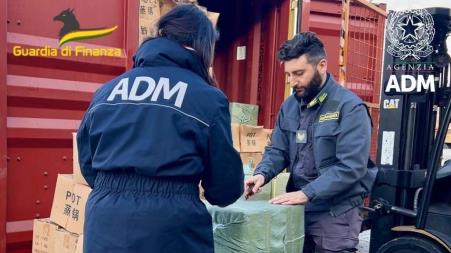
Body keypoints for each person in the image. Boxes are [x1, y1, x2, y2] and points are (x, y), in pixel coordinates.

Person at [77, 5, 244, 253]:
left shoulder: (106, 92)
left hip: (104, 223)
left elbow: (88, 166)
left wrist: (119, 185)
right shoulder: (207, 98)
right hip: (171, 227)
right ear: (201, 47)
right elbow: (224, 189)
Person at [244, 32, 376, 253]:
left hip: (335, 212)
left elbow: (351, 167)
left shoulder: (349, 108)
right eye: (288, 75)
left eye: (299, 73)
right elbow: (278, 149)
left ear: (322, 65)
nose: (292, 82)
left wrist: (308, 193)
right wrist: (262, 173)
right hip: (296, 208)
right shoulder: (290, 107)